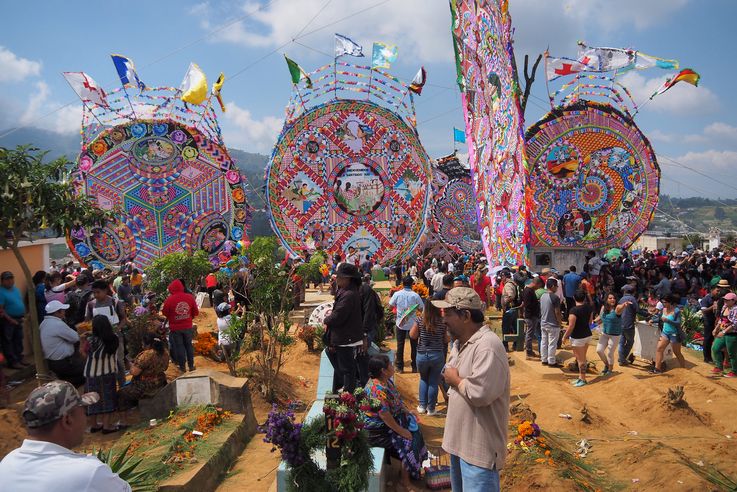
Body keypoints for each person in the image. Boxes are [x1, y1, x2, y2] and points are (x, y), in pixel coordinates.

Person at [434, 287, 509, 492]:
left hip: (479, 452)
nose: (444, 320)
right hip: (461, 444)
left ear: (465, 315)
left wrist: (456, 380)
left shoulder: (487, 346)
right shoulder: (461, 343)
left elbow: (481, 393)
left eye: (448, 314)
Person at [0, 380, 131, 491]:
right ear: (67, 420)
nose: (86, 418)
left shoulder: (6, 465)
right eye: (84, 411)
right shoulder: (89, 473)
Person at [364, 354, 428, 491]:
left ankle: (410, 471)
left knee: (416, 432)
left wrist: (407, 411)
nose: (393, 367)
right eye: (390, 365)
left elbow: (397, 400)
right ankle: (404, 482)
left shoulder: (386, 381)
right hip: (378, 430)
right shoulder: (377, 390)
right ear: (383, 370)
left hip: (390, 421)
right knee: (408, 441)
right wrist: (402, 431)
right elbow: (385, 416)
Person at [324, 263, 363, 393]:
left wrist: (326, 319)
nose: (337, 279)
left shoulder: (349, 295)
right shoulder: (347, 291)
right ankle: (347, 388)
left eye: (339, 277)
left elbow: (338, 316)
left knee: (347, 367)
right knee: (345, 365)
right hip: (345, 335)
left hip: (346, 336)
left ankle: (348, 392)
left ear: (347, 279)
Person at [118, 333, 169, 426]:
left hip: (145, 386)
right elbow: (165, 368)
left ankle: (123, 421)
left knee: (121, 393)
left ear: (148, 344)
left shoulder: (147, 355)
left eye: (143, 344)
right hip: (160, 382)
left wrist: (131, 365)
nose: (142, 346)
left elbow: (134, 372)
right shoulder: (165, 352)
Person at [81, 315, 120, 433]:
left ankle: (94, 425)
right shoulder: (114, 338)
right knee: (107, 398)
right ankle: (107, 426)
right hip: (108, 372)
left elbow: (84, 354)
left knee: (92, 399)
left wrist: (82, 341)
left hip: (91, 373)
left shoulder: (91, 340)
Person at [85, 280, 128, 385]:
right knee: (103, 362)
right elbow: (87, 321)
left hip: (115, 337)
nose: (95, 295)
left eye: (98, 292)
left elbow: (124, 319)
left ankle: (122, 384)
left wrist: (117, 329)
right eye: (94, 292)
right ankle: (108, 385)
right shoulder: (90, 304)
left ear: (105, 290)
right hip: (98, 340)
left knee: (119, 362)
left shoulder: (115, 302)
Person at [410, 300, 448, 416]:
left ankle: (422, 406)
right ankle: (431, 409)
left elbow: (412, 335)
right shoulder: (442, 322)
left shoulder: (420, 320)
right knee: (433, 381)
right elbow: (446, 340)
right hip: (437, 354)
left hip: (422, 354)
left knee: (423, 379)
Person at [40, 300, 85, 387]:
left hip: (53, 362)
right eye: (62, 310)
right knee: (87, 371)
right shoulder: (57, 324)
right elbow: (75, 337)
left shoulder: (43, 323)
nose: (64, 312)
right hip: (63, 363)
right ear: (57, 312)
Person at [162, 279, 199, 372]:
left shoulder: (169, 299)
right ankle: (191, 366)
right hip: (187, 326)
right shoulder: (190, 297)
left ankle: (182, 367)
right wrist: (189, 317)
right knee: (188, 345)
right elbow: (196, 312)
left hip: (175, 328)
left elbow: (165, 312)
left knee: (179, 347)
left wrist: (173, 316)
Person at [388, 276, 424, 373]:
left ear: (402, 284)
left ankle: (400, 368)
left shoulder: (397, 294)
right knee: (414, 345)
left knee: (400, 345)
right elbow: (422, 309)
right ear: (412, 284)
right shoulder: (415, 295)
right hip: (413, 324)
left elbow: (390, 307)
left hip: (400, 323)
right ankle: (415, 367)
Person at [563, 291, 593, 387]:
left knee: (581, 359)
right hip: (587, 335)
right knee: (582, 357)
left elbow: (571, 326)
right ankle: (581, 377)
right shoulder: (589, 308)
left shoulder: (574, 310)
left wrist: (565, 336)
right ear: (584, 298)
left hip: (578, 337)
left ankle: (583, 379)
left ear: (574, 298)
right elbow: (590, 322)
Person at [594, 293, 628, 375]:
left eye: (614, 298)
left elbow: (620, 307)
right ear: (606, 300)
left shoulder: (617, 309)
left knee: (609, 352)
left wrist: (624, 305)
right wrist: (593, 322)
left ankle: (610, 369)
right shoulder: (603, 308)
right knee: (599, 350)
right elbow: (601, 318)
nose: (612, 299)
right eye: (610, 298)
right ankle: (607, 365)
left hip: (615, 335)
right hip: (605, 333)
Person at [652, 294, 686, 374]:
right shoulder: (663, 309)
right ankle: (657, 369)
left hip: (675, 334)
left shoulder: (676, 311)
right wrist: (653, 320)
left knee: (677, 352)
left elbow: (678, 323)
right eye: (662, 302)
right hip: (665, 333)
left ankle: (683, 369)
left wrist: (668, 320)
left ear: (670, 302)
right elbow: (660, 318)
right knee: (659, 349)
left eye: (665, 302)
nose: (663, 304)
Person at [358, 274, 382, 386]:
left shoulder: (364, 290)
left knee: (362, 353)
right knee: (362, 353)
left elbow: (369, 311)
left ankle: (365, 382)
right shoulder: (365, 290)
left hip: (366, 328)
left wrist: (364, 332)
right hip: (366, 327)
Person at [0, 271, 27, 369]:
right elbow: (1, 309)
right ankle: (13, 362)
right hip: (8, 320)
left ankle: (19, 358)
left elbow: (19, 302)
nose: (10, 281)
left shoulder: (15, 289)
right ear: (2, 281)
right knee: (8, 341)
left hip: (19, 318)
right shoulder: (1, 291)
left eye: (11, 278)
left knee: (18, 339)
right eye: (7, 279)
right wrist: (10, 320)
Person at [711, 292, 737, 377]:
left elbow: (734, 324)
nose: (725, 301)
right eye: (725, 299)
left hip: (732, 334)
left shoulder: (735, 309)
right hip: (723, 332)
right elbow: (721, 320)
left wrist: (724, 332)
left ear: (733, 301)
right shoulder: (724, 307)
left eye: (727, 300)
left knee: (732, 353)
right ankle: (719, 367)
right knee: (715, 348)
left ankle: (734, 371)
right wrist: (716, 328)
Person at [539, 278, 563, 367]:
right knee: (552, 343)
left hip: (543, 322)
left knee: (544, 342)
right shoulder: (555, 297)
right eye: (556, 286)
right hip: (553, 324)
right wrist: (559, 322)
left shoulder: (542, 296)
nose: (557, 288)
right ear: (552, 286)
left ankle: (544, 359)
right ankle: (551, 361)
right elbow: (557, 312)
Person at [617, 285, 639, 366]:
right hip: (629, 324)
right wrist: (647, 314)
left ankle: (621, 358)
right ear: (633, 292)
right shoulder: (632, 299)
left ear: (625, 291)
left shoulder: (621, 299)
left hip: (620, 323)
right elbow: (637, 310)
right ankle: (622, 359)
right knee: (630, 342)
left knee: (621, 343)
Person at [521, 277, 542, 358]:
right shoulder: (528, 291)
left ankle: (530, 351)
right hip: (530, 316)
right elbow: (528, 304)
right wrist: (536, 303)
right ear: (536, 283)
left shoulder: (530, 290)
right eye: (539, 286)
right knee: (529, 334)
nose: (538, 288)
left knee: (530, 333)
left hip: (532, 315)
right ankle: (528, 352)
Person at [700, 285, 721, 364]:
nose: (718, 292)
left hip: (717, 321)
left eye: (719, 291)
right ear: (712, 290)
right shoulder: (706, 299)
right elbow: (704, 311)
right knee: (708, 339)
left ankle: (720, 359)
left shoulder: (719, 298)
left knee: (717, 339)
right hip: (708, 321)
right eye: (717, 290)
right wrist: (713, 306)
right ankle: (707, 358)